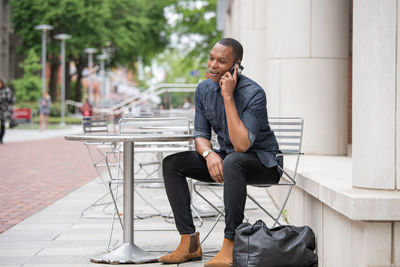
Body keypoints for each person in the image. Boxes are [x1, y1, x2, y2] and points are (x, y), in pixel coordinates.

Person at [159, 38, 282, 267]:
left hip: (264, 164)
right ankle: (189, 242)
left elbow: (242, 146)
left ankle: (231, 244)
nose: (213, 65)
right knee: (172, 163)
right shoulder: (203, 89)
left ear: (237, 65)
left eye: (221, 61)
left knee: (234, 160)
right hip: (227, 161)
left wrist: (227, 97)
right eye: (211, 58)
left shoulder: (254, 93)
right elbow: (200, 136)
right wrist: (209, 154)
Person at [0, 79, 15, 144]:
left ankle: (1, 138)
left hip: (4, 110)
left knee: (2, 125)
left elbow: (11, 100)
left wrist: (10, 109)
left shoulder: (6, 90)